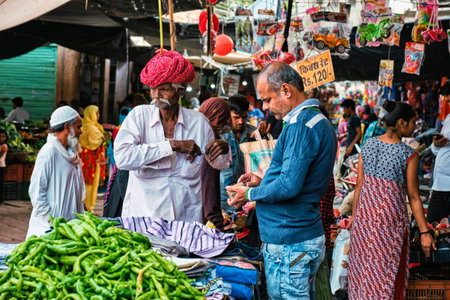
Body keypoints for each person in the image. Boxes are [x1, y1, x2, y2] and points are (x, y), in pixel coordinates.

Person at [226, 62, 337, 299]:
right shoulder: (316, 121)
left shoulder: (300, 125)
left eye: (267, 100)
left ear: (286, 91)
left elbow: (289, 185)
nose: (265, 108)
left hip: (290, 242)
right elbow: (295, 176)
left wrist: (248, 194)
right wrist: (261, 180)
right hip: (299, 237)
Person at [114, 50, 230, 222]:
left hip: (187, 220)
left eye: (164, 89)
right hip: (145, 219)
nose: (156, 96)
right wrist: (172, 146)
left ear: (181, 92)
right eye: (153, 89)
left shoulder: (199, 123)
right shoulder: (139, 117)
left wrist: (222, 149)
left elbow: (221, 164)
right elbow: (122, 159)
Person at [347, 100, 435, 299]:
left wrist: (354, 217)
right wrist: (424, 232)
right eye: (413, 122)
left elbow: (359, 186)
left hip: (364, 224)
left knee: (363, 276)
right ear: (402, 123)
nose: (415, 126)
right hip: (389, 227)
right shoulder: (408, 154)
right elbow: (413, 197)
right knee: (386, 276)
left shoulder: (368, 145)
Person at [27, 106, 85, 238]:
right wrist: (50, 221)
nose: (80, 132)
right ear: (67, 127)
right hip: (49, 229)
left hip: (70, 227)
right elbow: (36, 192)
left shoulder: (72, 155)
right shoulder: (49, 152)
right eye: (78, 127)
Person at [199, 97, 232, 229]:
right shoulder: (211, 138)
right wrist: (215, 219)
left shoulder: (194, 130)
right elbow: (209, 183)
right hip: (203, 211)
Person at [220, 95, 256, 210]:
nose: (241, 121)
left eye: (244, 117)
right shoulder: (221, 135)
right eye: (236, 117)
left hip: (248, 191)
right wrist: (233, 187)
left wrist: (262, 137)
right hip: (226, 193)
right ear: (228, 114)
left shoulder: (253, 132)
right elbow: (222, 165)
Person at [79, 105, 110, 212]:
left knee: (85, 182)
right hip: (90, 160)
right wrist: (106, 137)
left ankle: (85, 206)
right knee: (91, 184)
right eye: (97, 113)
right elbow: (95, 143)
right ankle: (89, 208)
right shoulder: (90, 128)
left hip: (84, 159)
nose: (99, 115)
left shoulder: (83, 124)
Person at [427, 81, 450, 223]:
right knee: (431, 226)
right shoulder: (448, 119)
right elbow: (437, 150)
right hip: (440, 184)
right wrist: (436, 144)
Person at [0, 129, 8, 204]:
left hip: (1, 166)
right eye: (0, 136)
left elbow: (0, 155)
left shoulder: (4, 146)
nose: (2, 138)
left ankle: (1, 200)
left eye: (3, 136)